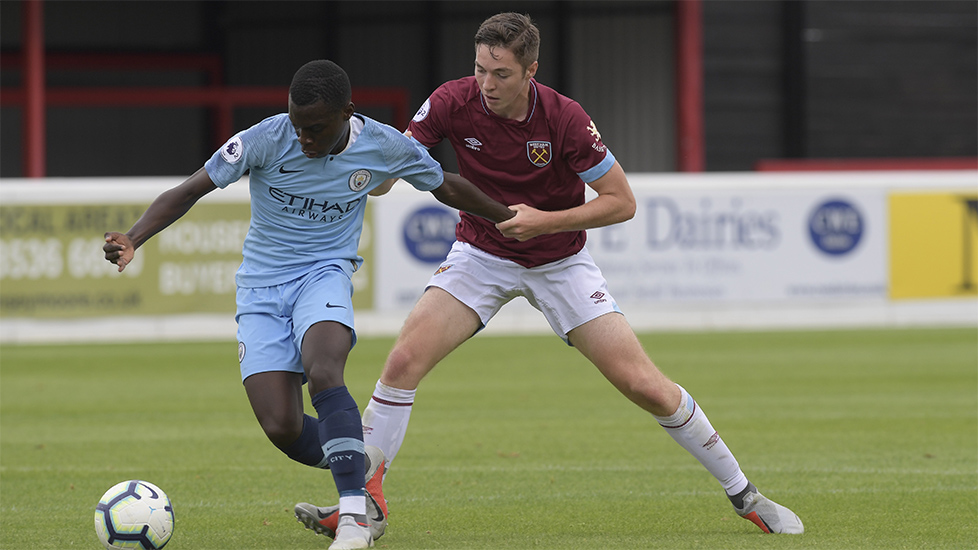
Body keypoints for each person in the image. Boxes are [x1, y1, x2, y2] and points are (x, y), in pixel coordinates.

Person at [301, 12, 807, 541]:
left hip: (560, 262)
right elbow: (392, 172)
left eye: (501, 74)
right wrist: (360, 161)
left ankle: (745, 494)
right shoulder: (452, 100)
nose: (487, 85)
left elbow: (622, 202)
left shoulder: (565, 119)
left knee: (645, 386)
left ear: (531, 72)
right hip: (481, 253)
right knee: (403, 360)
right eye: (479, 70)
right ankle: (364, 505)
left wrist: (547, 222)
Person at [102, 59, 515, 550]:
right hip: (260, 288)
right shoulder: (264, 138)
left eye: (316, 129)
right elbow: (191, 189)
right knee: (281, 425)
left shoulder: (382, 145)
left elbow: (445, 185)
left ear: (347, 113)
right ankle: (357, 457)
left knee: (324, 369)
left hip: (324, 274)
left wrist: (508, 218)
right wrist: (134, 237)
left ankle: (355, 521)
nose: (304, 138)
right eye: (298, 126)